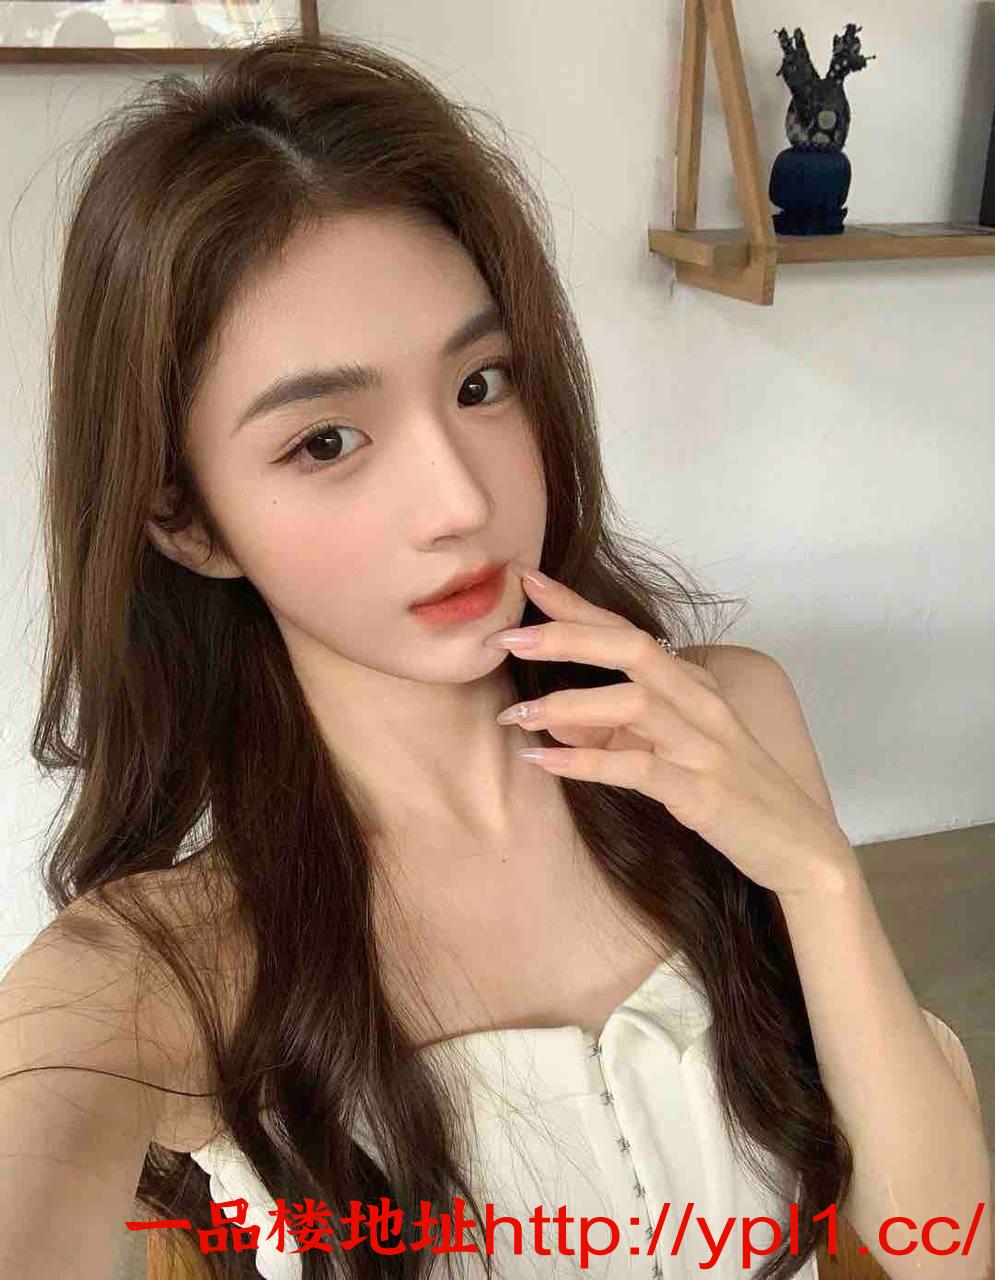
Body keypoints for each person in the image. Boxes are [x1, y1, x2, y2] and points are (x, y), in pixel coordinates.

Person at [0, 30, 988, 1280]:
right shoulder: (154, 968)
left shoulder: (726, 720)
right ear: (189, 522)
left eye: (479, 384)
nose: (459, 500)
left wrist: (817, 879)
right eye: (324, 441)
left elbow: (942, 1250)